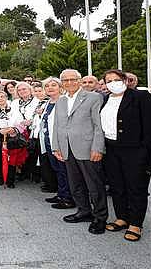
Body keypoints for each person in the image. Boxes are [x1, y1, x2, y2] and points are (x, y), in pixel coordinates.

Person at [100, 69, 151, 242]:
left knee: (136, 187)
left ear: (125, 80)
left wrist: (146, 153)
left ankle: (136, 223)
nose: (112, 83)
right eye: (108, 81)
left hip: (135, 150)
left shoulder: (140, 97)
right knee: (117, 185)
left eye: (116, 79)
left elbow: (149, 128)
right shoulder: (105, 99)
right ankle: (122, 217)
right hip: (111, 148)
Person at [52, 69, 107, 235]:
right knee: (75, 183)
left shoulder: (93, 97)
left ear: (79, 80)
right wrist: (56, 146)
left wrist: (98, 148)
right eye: (65, 80)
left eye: (72, 79)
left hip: (87, 148)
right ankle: (84, 211)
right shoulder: (61, 101)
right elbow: (57, 125)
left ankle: (100, 217)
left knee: (94, 185)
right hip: (67, 148)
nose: (69, 83)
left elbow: (99, 126)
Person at [38, 77, 74, 209]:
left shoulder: (65, 101)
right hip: (48, 140)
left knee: (64, 170)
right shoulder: (48, 102)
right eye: (47, 86)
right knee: (57, 169)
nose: (50, 88)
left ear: (60, 87)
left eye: (54, 85)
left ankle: (68, 198)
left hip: (60, 142)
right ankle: (61, 193)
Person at [11, 82, 40, 181]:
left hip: (32, 129)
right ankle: (22, 173)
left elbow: (39, 115)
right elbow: (12, 116)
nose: (22, 91)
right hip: (19, 130)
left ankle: (32, 173)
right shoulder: (15, 102)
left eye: (24, 89)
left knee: (32, 151)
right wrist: (20, 122)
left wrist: (31, 121)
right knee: (20, 151)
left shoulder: (37, 101)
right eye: (19, 90)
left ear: (30, 90)